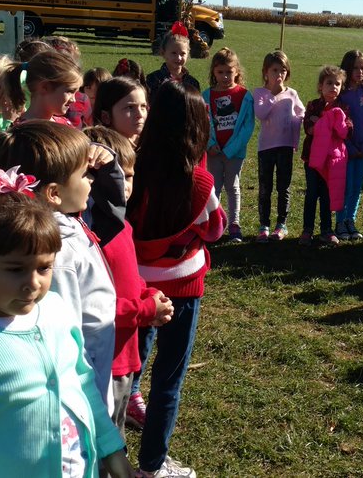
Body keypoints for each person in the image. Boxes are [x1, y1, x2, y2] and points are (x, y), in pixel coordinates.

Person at [0, 173, 133, 478]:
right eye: (15, 269)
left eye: (44, 267)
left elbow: (82, 383)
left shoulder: (56, 310)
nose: (33, 284)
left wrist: (110, 448)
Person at [127, 81, 225, 478]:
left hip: (137, 283)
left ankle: (108, 449)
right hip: (182, 285)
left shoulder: (133, 166)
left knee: (129, 366)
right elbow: (215, 228)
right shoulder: (199, 181)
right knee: (168, 380)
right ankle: (151, 466)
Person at [0, 121, 120, 414]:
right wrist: (92, 412)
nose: (92, 181)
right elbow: (65, 340)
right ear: (54, 194)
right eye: (85, 174)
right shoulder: (57, 256)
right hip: (77, 402)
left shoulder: (65, 223)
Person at [87, 129, 177, 434]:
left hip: (125, 357)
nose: (125, 187)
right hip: (101, 363)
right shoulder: (90, 239)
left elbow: (129, 278)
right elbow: (89, 309)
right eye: (117, 177)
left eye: (130, 176)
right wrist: (143, 311)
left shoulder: (122, 227)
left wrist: (149, 293)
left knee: (117, 434)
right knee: (103, 442)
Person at [202, 48, 255, 243]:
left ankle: (234, 223)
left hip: (235, 153)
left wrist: (231, 150)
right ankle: (214, 224)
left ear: (237, 72)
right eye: (220, 72)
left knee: (233, 187)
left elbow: (248, 126)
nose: (225, 76)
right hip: (214, 152)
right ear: (214, 73)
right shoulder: (206, 95)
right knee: (213, 188)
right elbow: (203, 123)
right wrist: (210, 144)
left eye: (229, 72)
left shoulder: (244, 96)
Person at [253, 50, 305, 242]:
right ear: (266, 72)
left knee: (284, 187)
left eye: (283, 70)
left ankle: (281, 224)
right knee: (265, 187)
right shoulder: (260, 93)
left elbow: (302, 112)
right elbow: (261, 114)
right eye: (275, 70)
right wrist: (273, 94)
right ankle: (263, 225)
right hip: (266, 148)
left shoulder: (292, 94)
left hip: (285, 147)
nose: (279, 75)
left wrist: (299, 120)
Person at [299, 66, 352, 246]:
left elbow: (346, 131)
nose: (333, 87)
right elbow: (309, 129)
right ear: (320, 86)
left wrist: (325, 123)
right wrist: (324, 123)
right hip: (313, 159)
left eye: (337, 84)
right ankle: (307, 229)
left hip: (332, 161)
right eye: (329, 83)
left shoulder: (343, 108)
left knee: (327, 195)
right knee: (312, 194)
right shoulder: (313, 106)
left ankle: (326, 230)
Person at [337, 50, 363, 241]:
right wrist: (351, 148)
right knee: (344, 186)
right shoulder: (342, 95)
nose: (360, 72)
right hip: (345, 151)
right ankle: (340, 221)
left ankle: (350, 220)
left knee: (356, 187)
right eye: (355, 68)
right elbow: (340, 125)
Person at [16, 51, 84, 127]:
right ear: (45, 87)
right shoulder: (21, 132)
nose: (73, 100)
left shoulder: (65, 126)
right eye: (70, 91)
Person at [93, 76, 150, 147]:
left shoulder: (152, 141)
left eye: (143, 106)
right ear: (106, 117)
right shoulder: (103, 151)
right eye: (130, 107)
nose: (140, 114)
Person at [145, 27, 200, 95]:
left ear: (188, 54)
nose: (178, 58)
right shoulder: (153, 79)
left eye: (182, 54)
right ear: (163, 53)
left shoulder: (192, 83)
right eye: (174, 53)